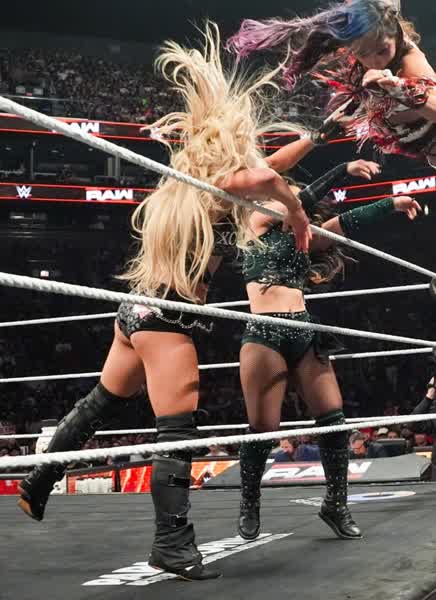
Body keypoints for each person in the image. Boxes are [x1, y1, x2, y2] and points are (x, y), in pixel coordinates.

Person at [16, 24, 312, 582]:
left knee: (102, 401)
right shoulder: (217, 190)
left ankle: (37, 480)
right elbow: (267, 175)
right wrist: (297, 216)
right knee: (176, 428)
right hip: (167, 319)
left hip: (137, 311)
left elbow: (273, 169)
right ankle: (171, 544)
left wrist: (313, 140)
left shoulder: (190, 187)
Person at [236, 157, 420, 543]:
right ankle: (249, 501)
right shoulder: (254, 225)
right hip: (265, 331)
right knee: (264, 427)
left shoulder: (303, 239)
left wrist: (392, 203)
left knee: (333, 419)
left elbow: (348, 222)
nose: (288, 201)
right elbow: (299, 200)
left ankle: (335, 504)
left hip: (303, 329)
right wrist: (341, 169)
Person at [227, 0, 436, 166]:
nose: (375, 61)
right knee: (324, 130)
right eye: (363, 54)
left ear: (396, 35)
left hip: (414, 119)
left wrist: (398, 87)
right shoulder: (365, 25)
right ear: (351, 48)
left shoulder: (412, 64)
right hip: (384, 112)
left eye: (382, 50)